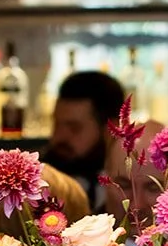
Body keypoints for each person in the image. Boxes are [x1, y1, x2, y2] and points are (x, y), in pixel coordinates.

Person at [43, 70, 127, 209]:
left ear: (111, 130)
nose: (59, 137)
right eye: (56, 125)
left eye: (74, 128)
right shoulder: (39, 183)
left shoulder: (134, 183)